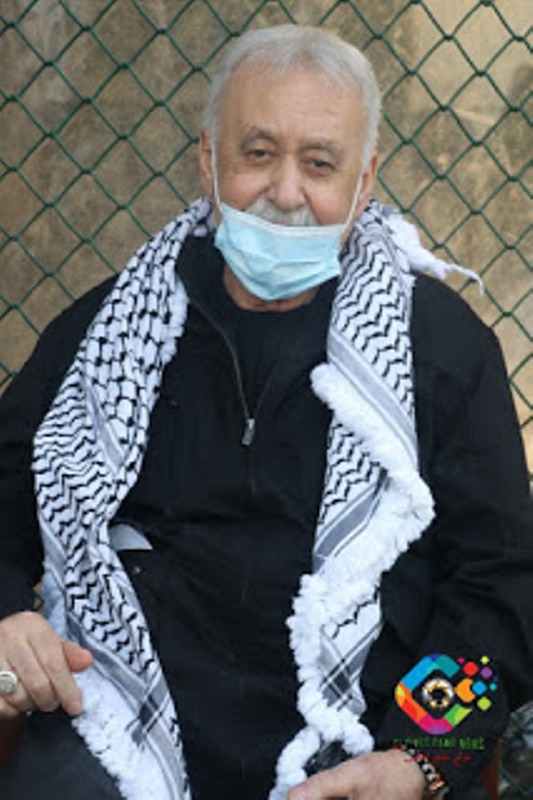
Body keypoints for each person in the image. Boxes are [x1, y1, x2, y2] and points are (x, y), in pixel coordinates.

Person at [0, 24, 531, 800]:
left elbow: (500, 589)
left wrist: (418, 759)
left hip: (356, 746)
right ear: (208, 162)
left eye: (319, 164)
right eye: (256, 154)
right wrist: (6, 620)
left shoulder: (441, 349)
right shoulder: (111, 331)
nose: (285, 194)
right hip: (116, 727)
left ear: (364, 181)